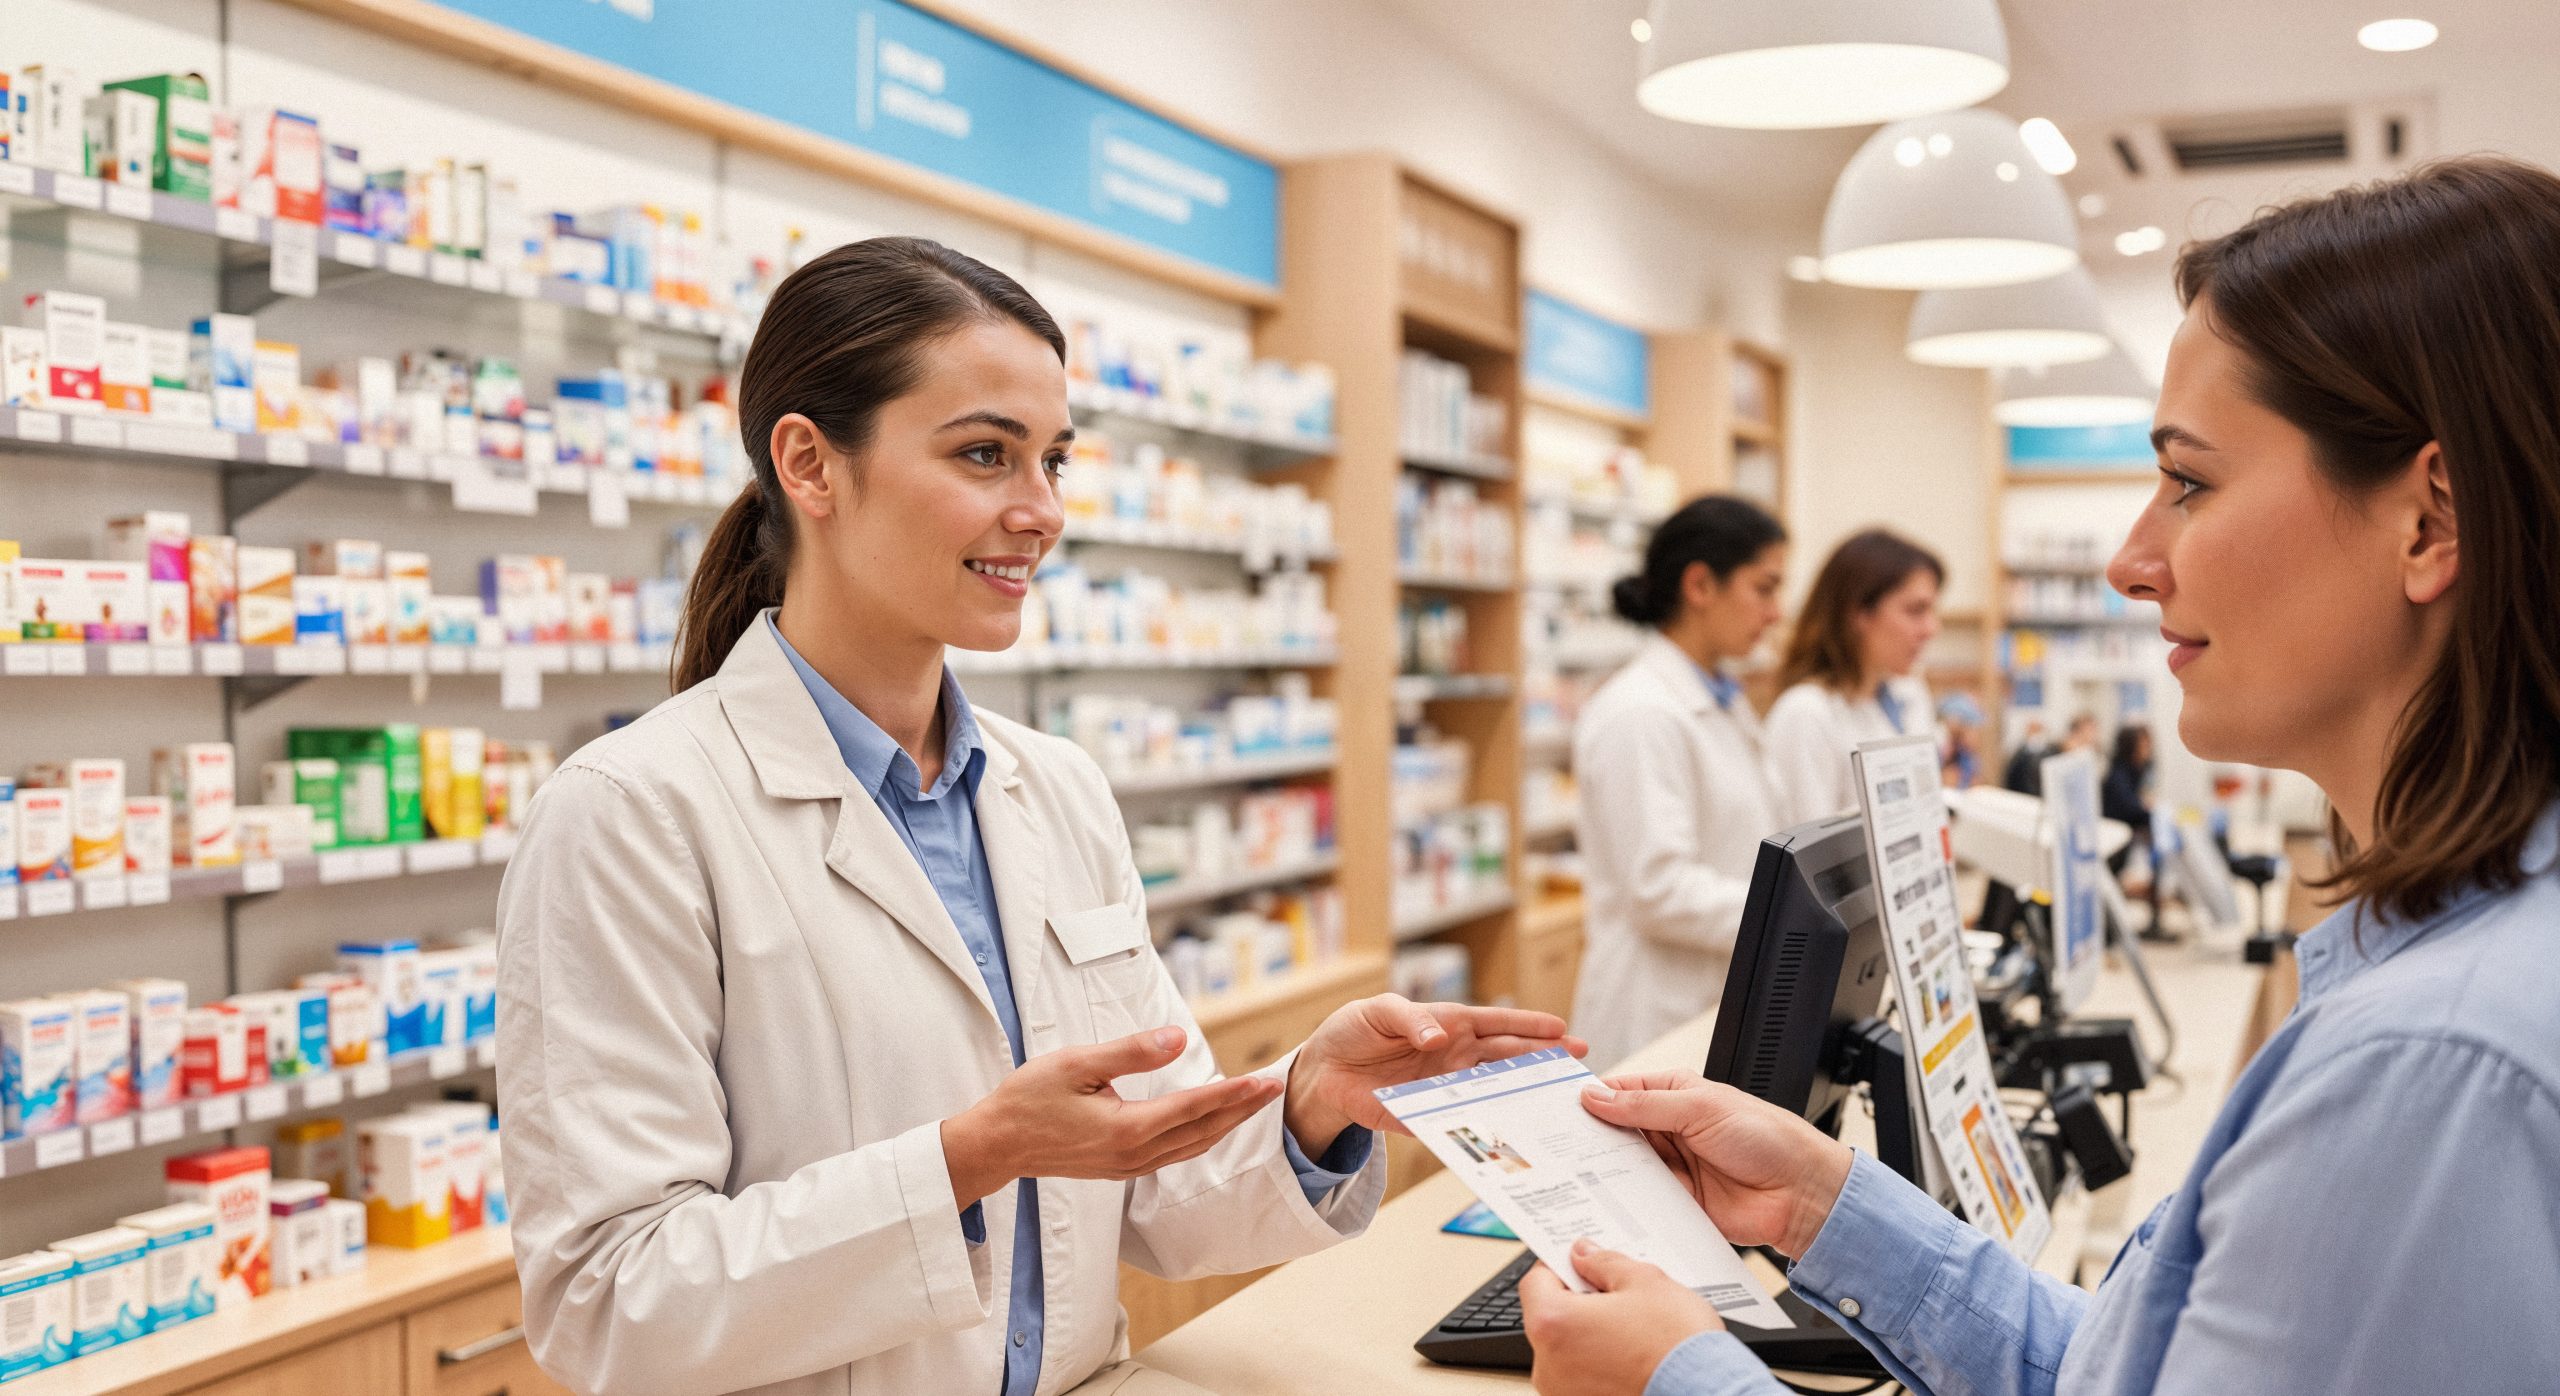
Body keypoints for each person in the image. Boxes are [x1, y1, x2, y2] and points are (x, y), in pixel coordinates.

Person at [1511, 156, 2560, 1395]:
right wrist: (1821, 1204)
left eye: (2189, 481)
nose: (2131, 560)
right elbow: (2130, 1367)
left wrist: (1677, 1378)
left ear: (2429, 522)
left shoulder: (2429, 1064)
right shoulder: (2439, 989)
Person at [492, 238, 1581, 1396]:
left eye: (1053, 460)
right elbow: (608, 1301)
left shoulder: (1054, 788)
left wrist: (1310, 1102)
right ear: (810, 464)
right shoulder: (631, 814)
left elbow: (1151, 1182)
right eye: (985, 454)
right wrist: (968, 1160)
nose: (1043, 510)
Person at [1570, 495, 1790, 1070]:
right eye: (1764, 589)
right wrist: (1789, 914)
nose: (1775, 613)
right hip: (1652, 1015)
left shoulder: (1722, 698)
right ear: (1700, 585)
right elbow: (1659, 890)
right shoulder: (1640, 711)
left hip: (1713, 997)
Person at [1761, 529, 1945, 827]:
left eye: (1931, 610)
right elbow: (1809, 847)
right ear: (1859, 612)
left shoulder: (1907, 693)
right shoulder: (1805, 714)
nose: (1931, 628)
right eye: (1915, 611)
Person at [2103, 725, 2155, 878]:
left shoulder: (2136, 772)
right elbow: (2133, 810)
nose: (2148, 749)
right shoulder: (2119, 776)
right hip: (2119, 843)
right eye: (2144, 744)